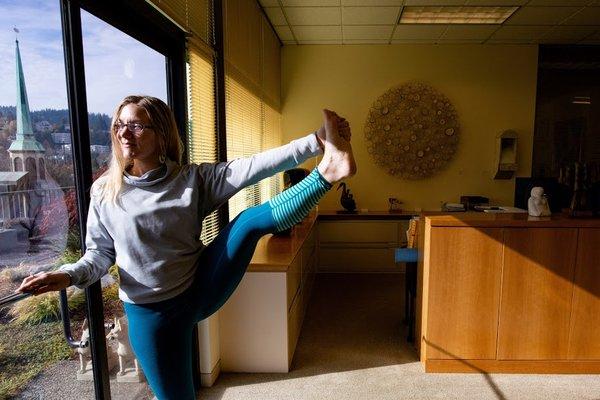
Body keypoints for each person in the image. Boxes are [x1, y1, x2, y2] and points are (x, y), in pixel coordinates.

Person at [16, 95, 356, 399]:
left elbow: (254, 166)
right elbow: (99, 255)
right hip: (152, 315)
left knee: (250, 222)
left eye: (135, 125)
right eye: (119, 125)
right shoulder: (105, 191)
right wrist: (66, 275)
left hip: (199, 286)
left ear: (161, 134)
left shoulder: (191, 180)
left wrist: (317, 140)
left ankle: (328, 171)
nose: (123, 132)